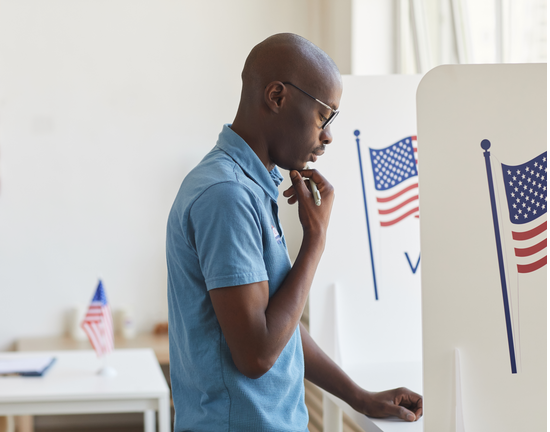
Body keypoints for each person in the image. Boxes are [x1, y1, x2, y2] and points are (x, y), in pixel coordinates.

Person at [166, 33, 423, 431]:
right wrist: (315, 242)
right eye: (324, 116)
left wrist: (361, 397)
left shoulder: (252, 183)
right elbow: (256, 355)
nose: (328, 136)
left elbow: (279, 323)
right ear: (277, 97)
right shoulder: (226, 196)